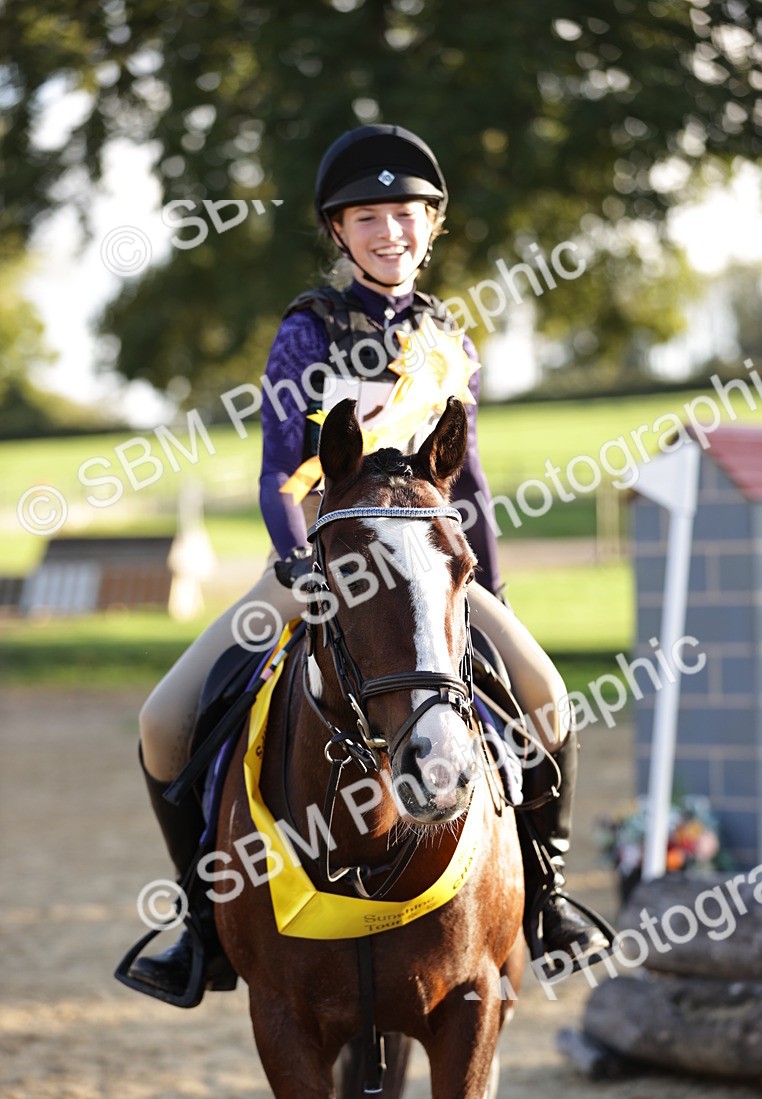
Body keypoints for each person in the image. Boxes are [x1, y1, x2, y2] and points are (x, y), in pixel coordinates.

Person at [129, 124, 609, 1004]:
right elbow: (281, 473)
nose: (392, 232)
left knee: (546, 697)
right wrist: (307, 570)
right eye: (370, 217)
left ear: (434, 227)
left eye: (408, 215)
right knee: (165, 723)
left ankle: (549, 902)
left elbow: (469, 482)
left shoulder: (450, 339)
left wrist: (488, 592)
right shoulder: (305, 333)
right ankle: (202, 928)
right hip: (316, 559)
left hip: (431, 569)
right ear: (339, 232)